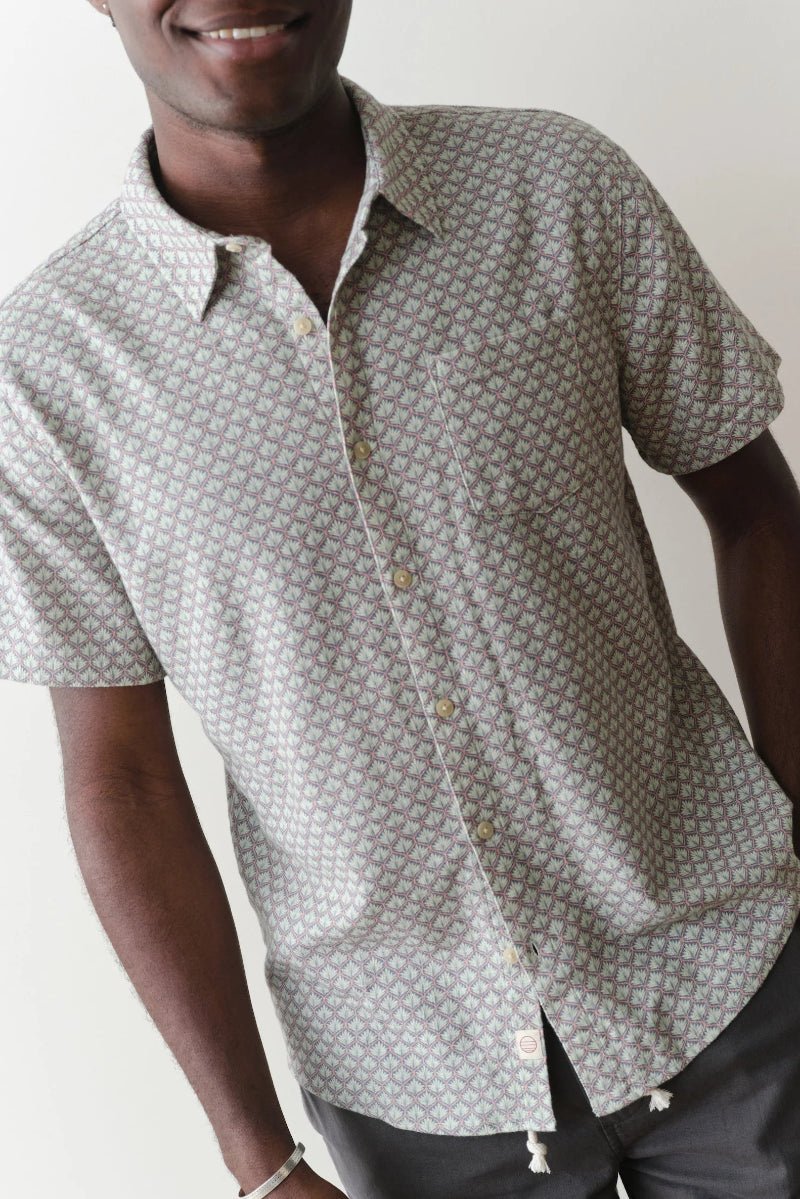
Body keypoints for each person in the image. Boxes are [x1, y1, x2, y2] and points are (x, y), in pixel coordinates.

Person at [1, 1, 799, 1196]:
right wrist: (257, 1157)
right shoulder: (45, 372)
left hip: (734, 980)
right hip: (412, 1088)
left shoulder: (555, 186)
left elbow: (754, 511)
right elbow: (123, 773)